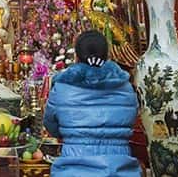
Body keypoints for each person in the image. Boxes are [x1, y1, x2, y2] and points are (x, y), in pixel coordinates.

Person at [44, 30, 141, 177]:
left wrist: (73, 135)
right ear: (107, 54)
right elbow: (131, 121)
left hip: (74, 169)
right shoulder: (125, 87)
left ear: (77, 56)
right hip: (120, 170)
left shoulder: (62, 88)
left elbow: (51, 126)